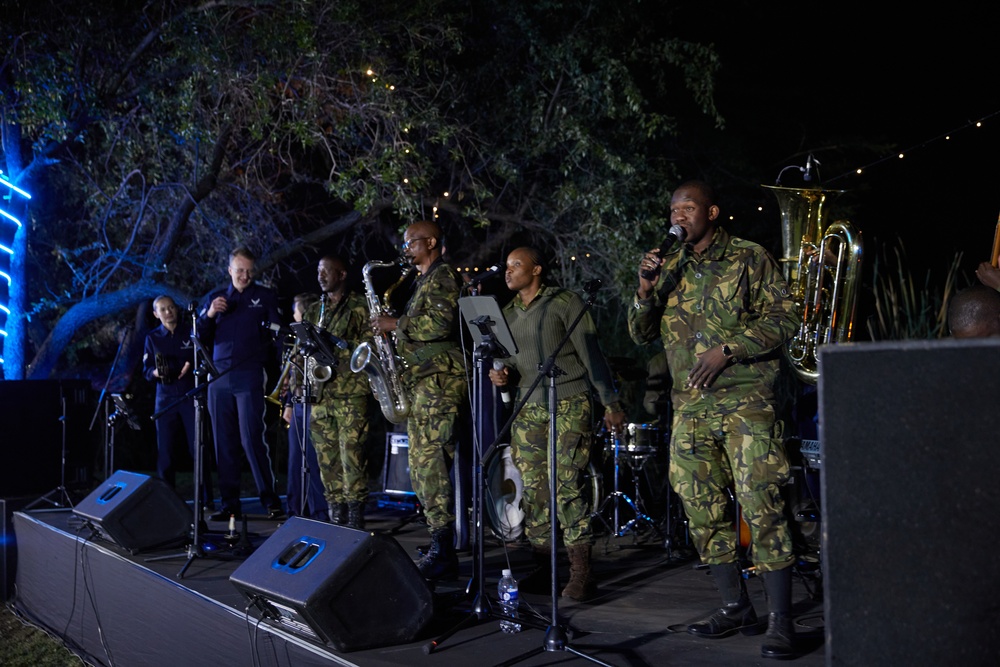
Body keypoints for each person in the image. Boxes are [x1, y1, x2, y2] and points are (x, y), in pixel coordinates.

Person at [627, 180, 802, 660]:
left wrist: (729, 350)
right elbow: (641, 333)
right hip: (691, 406)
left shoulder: (748, 257)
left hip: (746, 400)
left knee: (761, 501)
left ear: (712, 212)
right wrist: (644, 288)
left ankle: (782, 621)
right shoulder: (668, 266)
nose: (679, 215)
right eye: (673, 207)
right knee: (700, 505)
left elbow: (786, 317)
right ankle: (734, 606)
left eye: (688, 207)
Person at [488, 246, 626, 601]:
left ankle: (582, 573)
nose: (508, 271)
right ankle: (545, 568)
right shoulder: (505, 314)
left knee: (565, 483)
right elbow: (510, 364)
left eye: (516, 265)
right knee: (534, 490)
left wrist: (610, 401)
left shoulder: (565, 302)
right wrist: (501, 376)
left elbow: (591, 354)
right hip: (527, 407)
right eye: (507, 266)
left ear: (536, 270)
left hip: (568, 400)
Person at [374, 220, 467, 579]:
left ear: (431, 242)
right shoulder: (423, 280)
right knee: (424, 466)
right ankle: (438, 539)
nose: (406, 248)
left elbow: (440, 325)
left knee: (431, 465)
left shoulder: (444, 276)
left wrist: (394, 325)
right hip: (424, 381)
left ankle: (445, 551)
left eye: (410, 242)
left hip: (439, 381)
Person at [197, 246, 284, 522]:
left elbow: (278, 334)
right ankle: (230, 504)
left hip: (249, 374)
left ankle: (269, 499)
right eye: (240, 270)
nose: (245, 275)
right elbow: (197, 337)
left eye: (249, 271)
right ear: (230, 270)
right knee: (224, 442)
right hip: (219, 377)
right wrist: (209, 314)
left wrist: (285, 371)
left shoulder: (264, 296)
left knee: (251, 438)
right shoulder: (216, 298)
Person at [302, 255, 373, 529]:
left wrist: (337, 346)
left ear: (341, 274)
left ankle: (355, 516)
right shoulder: (312, 311)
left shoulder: (360, 306)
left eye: (326, 271)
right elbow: (302, 354)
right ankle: (336, 513)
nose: (320, 276)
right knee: (326, 458)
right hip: (321, 394)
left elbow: (368, 347)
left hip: (351, 393)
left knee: (352, 455)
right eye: (318, 271)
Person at [142, 295, 215, 509]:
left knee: (198, 449)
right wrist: (156, 372)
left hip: (190, 396)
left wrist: (190, 363)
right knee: (166, 453)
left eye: (171, 307)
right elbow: (145, 371)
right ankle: (168, 504)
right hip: (164, 400)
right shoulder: (152, 338)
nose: (168, 312)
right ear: (156, 314)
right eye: (163, 309)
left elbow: (204, 357)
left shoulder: (190, 331)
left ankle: (206, 500)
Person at [281, 292, 330, 521]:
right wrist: (288, 403)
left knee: (312, 461)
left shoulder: (317, 339)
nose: (293, 315)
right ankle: (295, 511)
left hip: (314, 404)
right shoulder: (298, 340)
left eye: (296, 311)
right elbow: (295, 377)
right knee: (295, 463)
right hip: (298, 403)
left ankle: (319, 513)